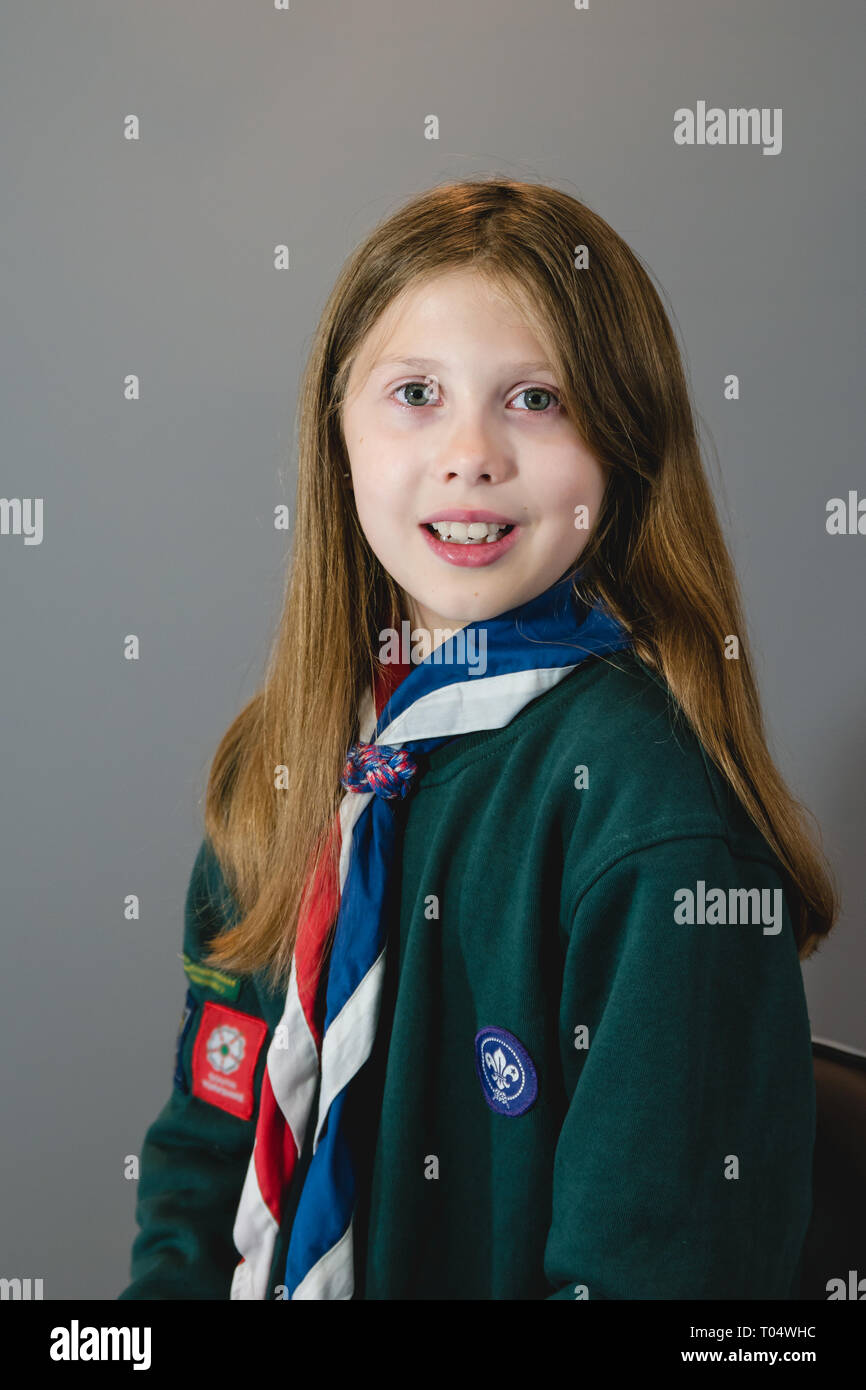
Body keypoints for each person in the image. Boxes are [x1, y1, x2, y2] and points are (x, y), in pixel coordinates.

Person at [119, 178, 839, 1302]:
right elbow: (203, 1159)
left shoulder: (653, 817)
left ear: (624, 443)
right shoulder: (291, 759)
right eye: (414, 393)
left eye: (537, 400)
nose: (470, 454)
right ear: (335, 433)